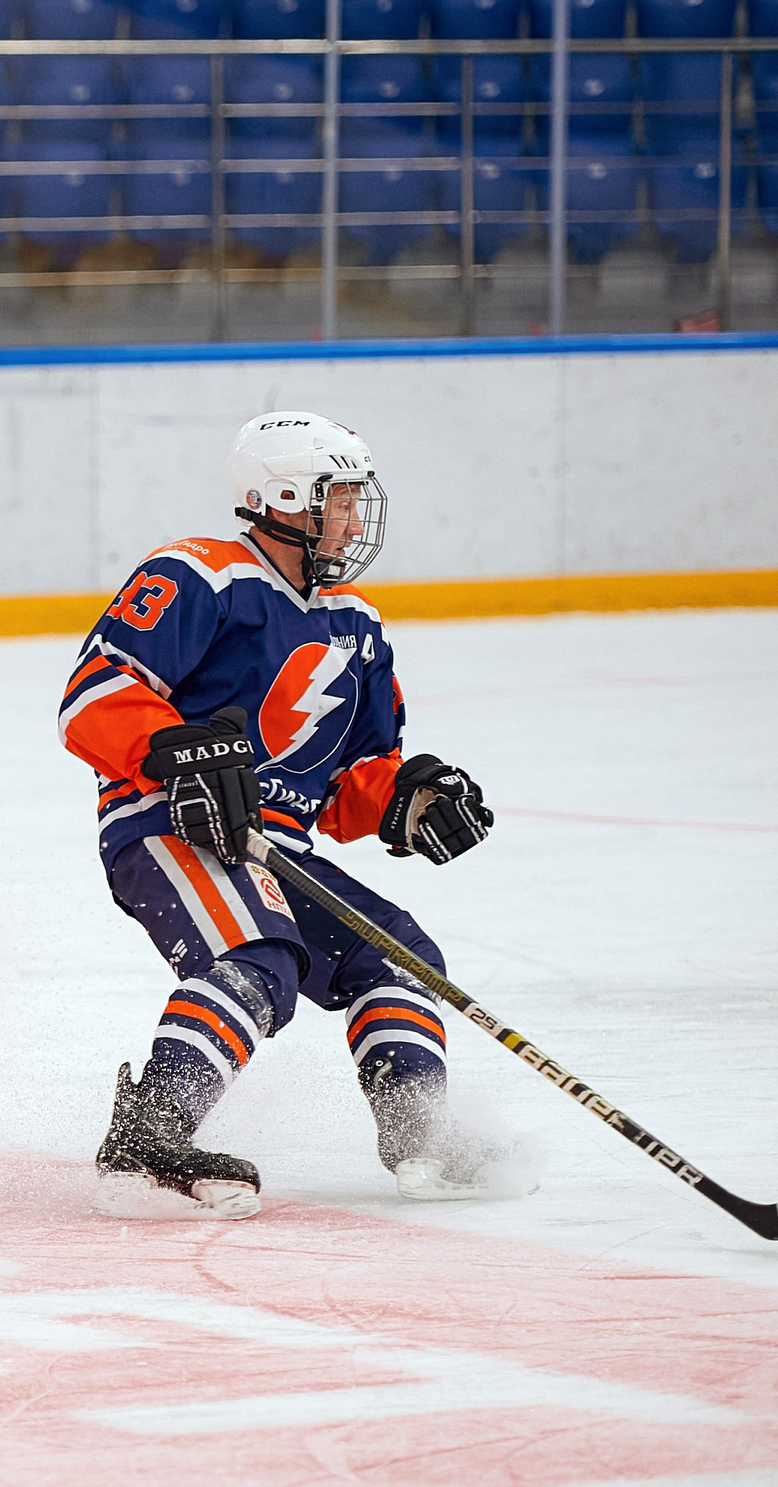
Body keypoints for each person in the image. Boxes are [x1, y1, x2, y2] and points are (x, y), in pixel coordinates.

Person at [60, 411, 530, 1218]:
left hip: (276, 846)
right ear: (281, 498)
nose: (353, 517)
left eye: (354, 499)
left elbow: (346, 779)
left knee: (400, 958)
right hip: (171, 825)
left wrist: (407, 801)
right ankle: (149, 1133)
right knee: (259, 955)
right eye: (337, 498)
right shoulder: (198, 575)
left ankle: (419, 1131)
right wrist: (175, 751)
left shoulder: (358, 622)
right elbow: (94, 696)